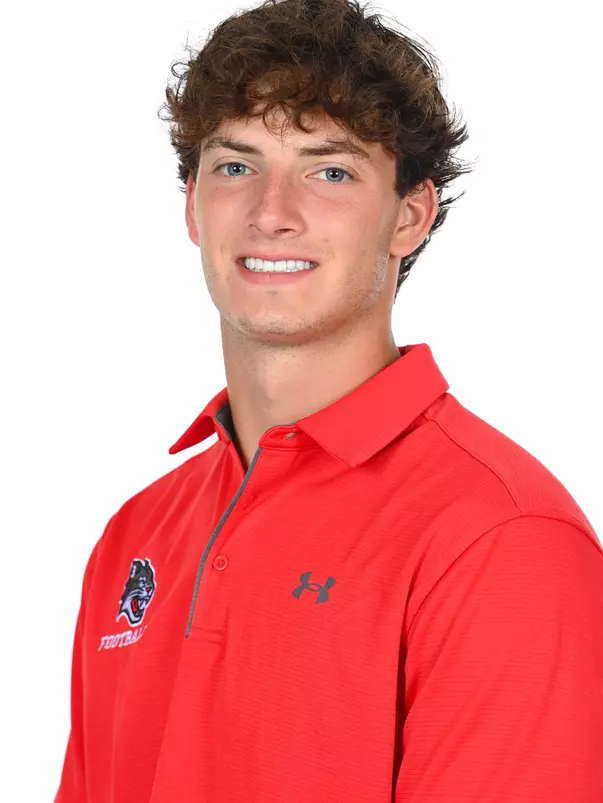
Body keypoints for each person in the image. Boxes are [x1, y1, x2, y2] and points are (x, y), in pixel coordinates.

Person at [54, 0, 603, 801]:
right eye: (235, 166)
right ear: (191, 205)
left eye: (330, 170)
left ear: (408, 216)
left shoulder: (499, 539)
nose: (272, 214)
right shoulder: (134, 536)